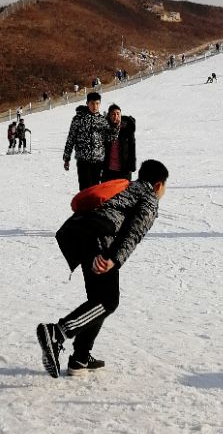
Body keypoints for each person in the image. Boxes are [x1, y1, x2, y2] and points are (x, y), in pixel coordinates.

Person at [36, 159, 169, 377]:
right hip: (99, 240)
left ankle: (80, 357)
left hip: (80, 233)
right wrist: (114, 259)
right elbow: (133, 234)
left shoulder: (127, 187)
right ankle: (57, 332)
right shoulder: (149, 199)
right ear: (158, 185)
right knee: (107, 301)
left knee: (97, 301)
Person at [63, 91, 117, 189]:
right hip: (83, 160)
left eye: (97, 103)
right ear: (87, 103)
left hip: (98, 160)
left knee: (96, 189)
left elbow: (110, 139)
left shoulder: (103, 120)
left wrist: (115, 126)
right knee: (85, 188)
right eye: (92, 103)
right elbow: (71, 138)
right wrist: (67, 158)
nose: (95, 106)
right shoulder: (78, 119)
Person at [101, 104, 136, 182]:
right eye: (113, 114)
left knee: (123, 193)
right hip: (108, 170)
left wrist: (132, 166)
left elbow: (132, 147)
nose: (116, 116)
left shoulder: (127, 129)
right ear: (109, 116)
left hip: (124, 170)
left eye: (118, 113)